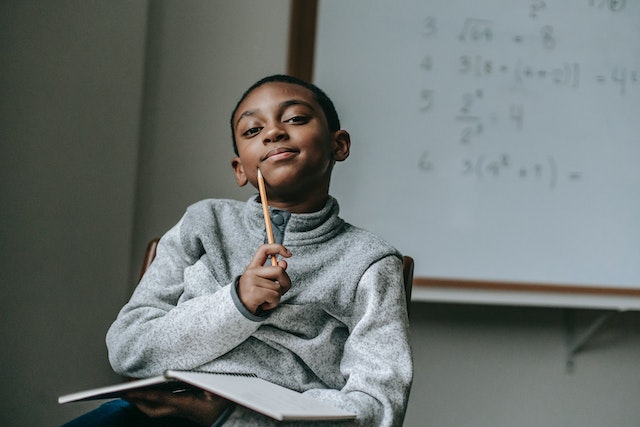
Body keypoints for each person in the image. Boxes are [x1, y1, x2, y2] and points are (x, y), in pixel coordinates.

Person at [61, 74, 413, 426]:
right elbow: (127, 349)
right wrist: (236, 304)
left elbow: (378, 407)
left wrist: (233, 417)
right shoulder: (203, 223)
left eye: (295, 119)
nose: (273, 132)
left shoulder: (369, 260)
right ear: (240, 169)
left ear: (339, 145)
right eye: (252, 131)